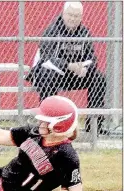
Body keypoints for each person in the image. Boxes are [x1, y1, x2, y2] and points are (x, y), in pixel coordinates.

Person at [25, 1, 108, 135]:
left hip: (72, 75)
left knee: (99, 78)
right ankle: (48, 124)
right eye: (70, 14)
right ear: (63, 14)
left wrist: (84, 68)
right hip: (49, 74)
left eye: (76, 16)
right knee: (48, 75)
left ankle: (94, 125)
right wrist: (69, 65)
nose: (73, 18)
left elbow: (92, 59)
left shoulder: (84, 33)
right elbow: (46, 59)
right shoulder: (52, 30)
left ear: (81, 17)